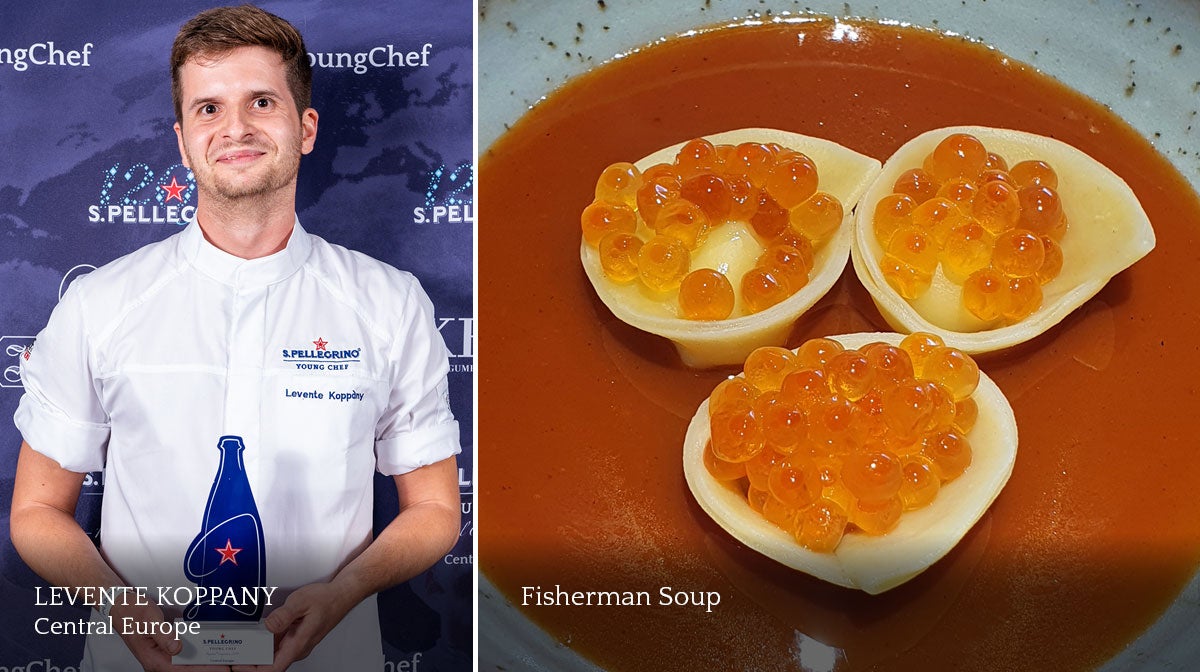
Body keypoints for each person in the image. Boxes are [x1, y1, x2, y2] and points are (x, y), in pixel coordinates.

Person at [9, 5, 461, 671]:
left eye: (261, 101)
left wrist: (343, 593)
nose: (236, 128)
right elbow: (38, 511)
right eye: (209, 109)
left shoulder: (388, 302)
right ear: (184, 138)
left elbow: (434, 509)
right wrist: (122, 608)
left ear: (305, 127)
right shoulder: (100, 303)